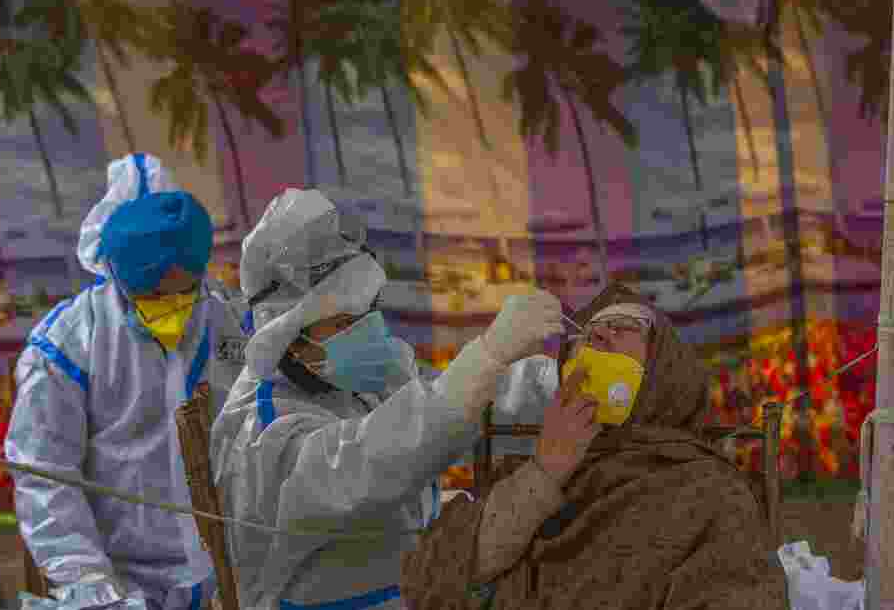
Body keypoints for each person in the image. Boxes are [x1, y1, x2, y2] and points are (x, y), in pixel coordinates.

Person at [210, 188, 565, 610]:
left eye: (367, 311)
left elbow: (442, 395)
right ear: (288, 336)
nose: (366, 329)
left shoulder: (353, 376)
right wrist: (488, 352)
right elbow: (375, 458)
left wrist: (558, 379)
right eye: (344, 320)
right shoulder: (261, 429)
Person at [402, 282, 789, 610]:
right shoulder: (534, 471)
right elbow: (430, 583)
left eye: (622, 327)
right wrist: (543, 474)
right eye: (586, 333)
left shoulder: (708, 493)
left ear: (661, 368)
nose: (599, 335)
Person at [6, 153, 248, 610]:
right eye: (153, 294)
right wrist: (88, 581)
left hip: (229, 577)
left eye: (185, 290)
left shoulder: (232, 323)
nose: (171, 306)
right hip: (119, 584)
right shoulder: (67, 345)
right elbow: (45, 472)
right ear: (117, 273)